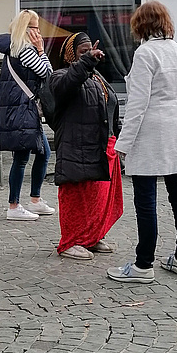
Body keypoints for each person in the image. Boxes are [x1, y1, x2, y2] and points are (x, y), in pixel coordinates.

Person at [108, 1, 177, 284]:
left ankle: (144, 263)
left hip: (149, 134)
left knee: (146, 201)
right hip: (174, 130)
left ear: (140, 25)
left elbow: (137, 104)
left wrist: (123, 144)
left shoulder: (145, 54)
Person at [49, 32, 122, 259]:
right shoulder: (59, 76)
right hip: (76, 146)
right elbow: (67, 86)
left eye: (91, 51)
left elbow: (111, 107)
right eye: (83, 52)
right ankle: (70, 242)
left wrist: (119, 136)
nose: (90, 55)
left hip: (102, 145)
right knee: (75, 196)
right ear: (71, 54)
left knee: (98, 198)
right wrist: (87, 62)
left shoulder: (96, 76)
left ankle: (92, 236)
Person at [0, 9, 55, 221]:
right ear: (28, 30)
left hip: (20, 109)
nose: (39, 32)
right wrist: (41, 50)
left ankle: (35, 200)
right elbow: (48, 74)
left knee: (43, 153)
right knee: (21, 159)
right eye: (36, 28)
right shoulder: (26, 50)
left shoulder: (13, 48)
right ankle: (14, 205)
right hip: (23, 110)